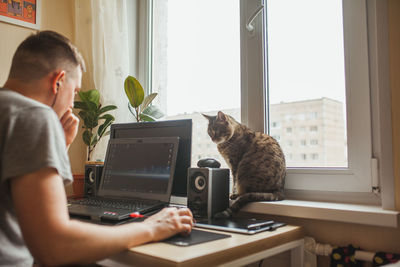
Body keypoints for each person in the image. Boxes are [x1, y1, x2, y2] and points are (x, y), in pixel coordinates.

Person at [0, 30, 194, 266]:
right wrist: (152, 227)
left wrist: (59, 146)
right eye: (75, 92)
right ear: (57, 81)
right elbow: (54, 247)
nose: (71, 103)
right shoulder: (34, 115)